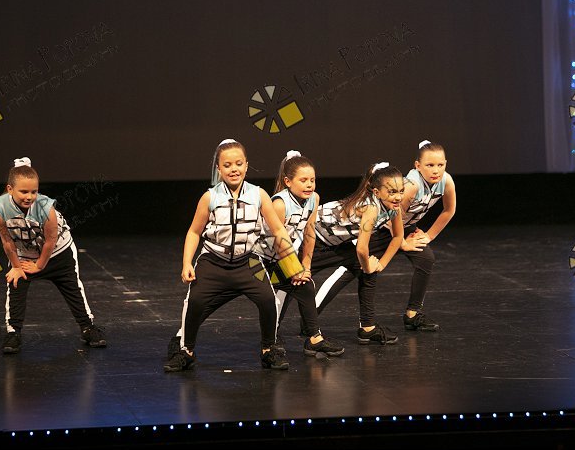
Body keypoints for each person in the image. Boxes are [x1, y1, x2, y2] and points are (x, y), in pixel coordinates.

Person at [163, 139, 305, 372]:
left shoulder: (259, 195)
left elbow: (279, 230)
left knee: (268, 300)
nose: (234, 169)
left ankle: (268, 350)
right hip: (213, 261)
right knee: (195, 301)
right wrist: (187, 263)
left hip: (248, 261)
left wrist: (293, 266)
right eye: (227, 165)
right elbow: (194, 232)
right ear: (218, 169)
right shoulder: (210, 197)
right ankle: (186, 351)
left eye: (239, 163)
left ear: (246, 165)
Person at [0, 157, 106, 354]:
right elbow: (7, 241)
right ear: (10, 189)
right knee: (16, 284)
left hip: (57, 252)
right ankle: (13, 332)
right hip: (24, 255)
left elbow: (50, 241)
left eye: (34, 192)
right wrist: (17, 267)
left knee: (72, 287)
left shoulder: (45, 208)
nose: (29, 196)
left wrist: (39, 266)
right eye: (23, 192)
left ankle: (87, 327)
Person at [297, 162, 404, 345]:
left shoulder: (393, 208)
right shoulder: (372, 208)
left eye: (401, 191)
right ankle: (289, 332)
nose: (398, 197)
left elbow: (398, 236)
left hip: (335, 243)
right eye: (392, 192)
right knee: (293, 283)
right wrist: (368, 266)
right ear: (377, 192)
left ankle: (367, 327)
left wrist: (380, 264)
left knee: (367, 269)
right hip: (312, 240)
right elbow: (361, 248)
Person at [254, 150, 344, 357]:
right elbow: (278, 242)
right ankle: (270, 341)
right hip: (258, 262)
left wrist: (306, 265)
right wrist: (294, 270)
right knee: (269, 297)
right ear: (288, 182)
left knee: (305, 286)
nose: (309, 185)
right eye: (303, 180)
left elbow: (309, 232)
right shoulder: (279, 204)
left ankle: (314, 339)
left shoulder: (313, 199)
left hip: (282, 259)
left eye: (312, 180)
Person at [368, 140, 456, 332]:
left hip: (405, 227)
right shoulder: (412, 185)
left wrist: (429, 236)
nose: (436, 170)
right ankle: (313, 320)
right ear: (417, 165)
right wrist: (402, 243)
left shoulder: (446, 180)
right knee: (358, 269)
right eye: (429, 165)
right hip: (380, 227)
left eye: (440, 165)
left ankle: (413, 314)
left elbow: (449, 210)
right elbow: (391, 216)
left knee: (426, 258)